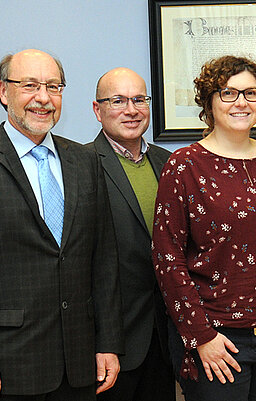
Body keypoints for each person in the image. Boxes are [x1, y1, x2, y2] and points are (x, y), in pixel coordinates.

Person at [0, 49, 123, 401]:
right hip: (6, 367)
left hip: (81, 365)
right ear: (4, 92)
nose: (43, 98)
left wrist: (109, 343)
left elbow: (104, 260)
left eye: (54, 87)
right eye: (30, 85)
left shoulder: (84, 160)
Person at [151, 55, 256, 401]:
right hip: (219, 341)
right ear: (209, 101)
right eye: (228, 93)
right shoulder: (184, 166)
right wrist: (200, 336)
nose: (241, 102)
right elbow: (167, 259)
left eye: (251, 93)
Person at [88, 67, 175, 401]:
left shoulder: (169, 163)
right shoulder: (81, 163)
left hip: (165, 334)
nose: (131, 109)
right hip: (111, 341)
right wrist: (99, 341)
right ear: (98, 110)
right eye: (118, 100)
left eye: (139, 99)